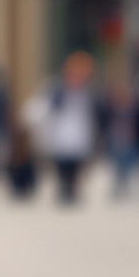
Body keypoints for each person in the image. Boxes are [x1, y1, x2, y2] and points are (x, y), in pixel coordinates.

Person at [45, 52, 98, 205]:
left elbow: (94, 112)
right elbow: (51, 110)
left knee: (76, 164)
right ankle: (64, 189)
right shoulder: (58, 91)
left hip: (80, 133)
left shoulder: (88, 92)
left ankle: (73, 191)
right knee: (62, 164)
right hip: (62, 132)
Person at [103, 82, 138, 198]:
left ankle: (125, 183)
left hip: (129, 137)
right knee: (117, 162)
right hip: (116, 137)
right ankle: (118, 184)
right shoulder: (112, 107)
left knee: (127, 163)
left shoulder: (132, 107)